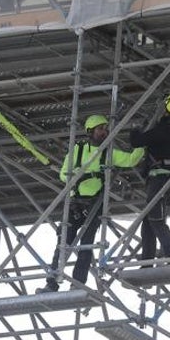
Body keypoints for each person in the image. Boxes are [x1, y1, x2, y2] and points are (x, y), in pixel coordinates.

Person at [39, 114, 144, 292]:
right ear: (90, 131)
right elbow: (63, 174)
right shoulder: (77, 151)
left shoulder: (108, 153)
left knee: (86, 245)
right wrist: (77, 174)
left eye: (105, 129)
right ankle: (52, 282)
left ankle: (77, 283)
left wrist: (141, 142)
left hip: (94, 204)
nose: (104, 132)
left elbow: (131, 160)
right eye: (100, 129)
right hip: (75, 203)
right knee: (64, 242)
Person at [129, 92, 170, 263]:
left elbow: (137, 141)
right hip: (167, 178)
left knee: (155, 218)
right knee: (148, 221)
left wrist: (135, 129)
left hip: (159, 179)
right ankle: (147, 262)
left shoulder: (165, 130)